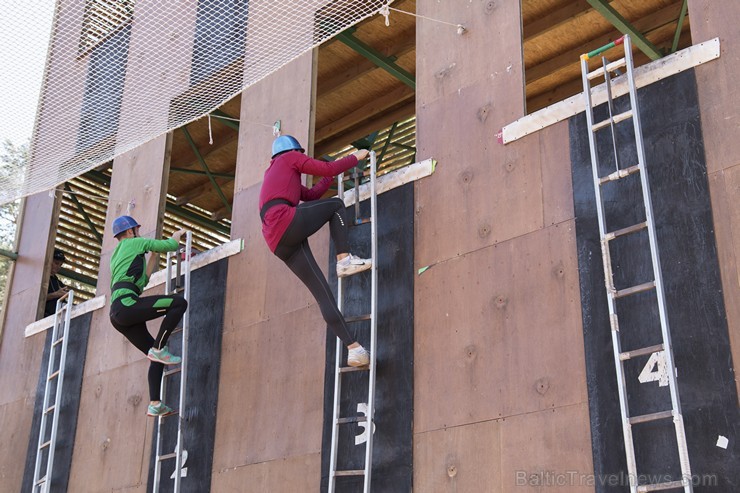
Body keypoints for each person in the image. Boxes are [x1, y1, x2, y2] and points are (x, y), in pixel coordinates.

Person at [259, 135, 373, 367]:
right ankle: (344, 260)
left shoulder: (274, 174)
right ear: (295, 151)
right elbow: (326, 167)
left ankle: (354, 349)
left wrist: (331, 176)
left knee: (323, 293)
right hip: (284, 220)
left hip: (277, 242)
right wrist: (355, 158)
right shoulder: (291, 158)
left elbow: (309, 196)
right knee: (337, 205)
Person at [108, 215, 188, 417]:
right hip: (128, 304)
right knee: (179, 303)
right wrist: (176, 236)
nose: (138, 232)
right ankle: (160, 348)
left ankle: (155, 403)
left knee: (154, 356)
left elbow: (142, 282)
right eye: (136, 229)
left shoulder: (116, 255)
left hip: (118, 313)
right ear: (130, 231)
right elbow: (170, 245)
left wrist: (153, 255)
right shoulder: (135, 242)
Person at [44, 248, 70, 317]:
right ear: (49, 261)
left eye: (60, 265)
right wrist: (55, 294)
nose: (58, 267)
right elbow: (37, 299)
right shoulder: (41, 279)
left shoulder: (59, 284)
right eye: (56, 263)